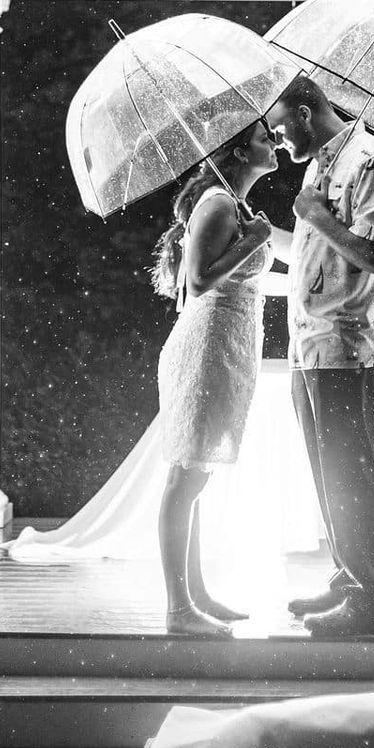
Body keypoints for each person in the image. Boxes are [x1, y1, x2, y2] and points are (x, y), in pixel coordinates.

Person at [262, 75, 374, 637]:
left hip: (348, 340)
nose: (277, 141)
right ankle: (348, 578)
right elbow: (315, 250)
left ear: (304, 113)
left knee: (348, 468)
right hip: (311, 339)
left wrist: (317, 217)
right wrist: (265, 234)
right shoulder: (320, 166)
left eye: (279, 127)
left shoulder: (372, 160)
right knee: (325, 466)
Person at [147, 120, 278, 636]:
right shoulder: (221, 205)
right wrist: (257, 241)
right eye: (267, 138)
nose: (275, 145)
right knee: (186, 478)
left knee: (195, 477)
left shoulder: (233, 205)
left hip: (225, 349)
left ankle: (196, 594)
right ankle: (178, 610)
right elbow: (198, 281)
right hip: (204, 351)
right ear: (241, 149)